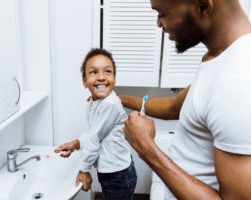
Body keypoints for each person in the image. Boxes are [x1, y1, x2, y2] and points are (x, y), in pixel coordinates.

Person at [120, 0, 251, 199]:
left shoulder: (237, 82)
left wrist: (145, 148)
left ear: (203, 6)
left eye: (163, 14)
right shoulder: (220, 57)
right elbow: (174, 107)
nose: (158, 23)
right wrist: (121, 99)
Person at [54, 48, 137, 200]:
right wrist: (76, 143)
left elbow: (94, 138)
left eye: (108, 72)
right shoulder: (95, 103)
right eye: (93, 72)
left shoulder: (110, 104)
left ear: (115, 79)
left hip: (118, 174)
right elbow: (96, 134)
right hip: (111, 171)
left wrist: (84, 169)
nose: (101, 77)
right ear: (84, 81)